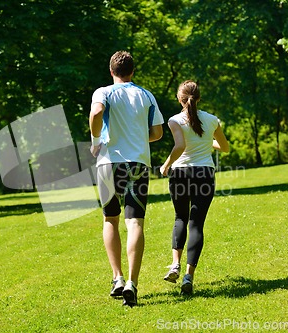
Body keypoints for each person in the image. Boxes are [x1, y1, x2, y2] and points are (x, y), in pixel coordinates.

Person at [89, 51, 164, 307]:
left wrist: (96, 141)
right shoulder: (146, 95)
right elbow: (157, 133)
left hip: (108, 163)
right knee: (135, 222)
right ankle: (132, 282)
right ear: (133, 71)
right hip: (138, 163)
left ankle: (117, 278)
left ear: (111, 71)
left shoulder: (103, 92)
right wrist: (139, 138)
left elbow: (97, 113)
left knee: (110, 219)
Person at [159, 80, 229, 294]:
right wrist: (209, 142)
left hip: (180, 173)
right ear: (198, 98)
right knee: (196, 224)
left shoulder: (174, 120)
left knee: (180, 217)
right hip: (204, 174)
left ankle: (175, 265)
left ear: (180, 99)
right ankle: (189, 276)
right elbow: (224, 147)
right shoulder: (212, 120)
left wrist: (166, 164)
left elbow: (180, 146)